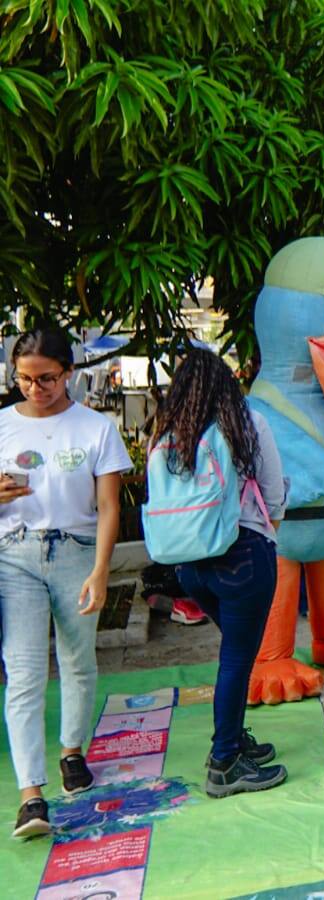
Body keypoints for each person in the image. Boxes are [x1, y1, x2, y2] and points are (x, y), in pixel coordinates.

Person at [0, 329, 132, 838]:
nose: (35, 388)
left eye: (47, 378)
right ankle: (30, 795)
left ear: (70, 373)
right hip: (15, 556)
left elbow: (109, 506)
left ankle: (72, 750)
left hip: (78, 551)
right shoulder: (3, 425)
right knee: (24, 673)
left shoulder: (96, 428)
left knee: (78, 659)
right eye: (24, 379)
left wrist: (101, 570)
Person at [153, 349, 288, 798]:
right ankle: (225, 762)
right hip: (242, 557)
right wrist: (269, 529)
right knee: (236, 659)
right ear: (227, 383)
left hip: (190, 567)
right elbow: (273, 493)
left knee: (235, 654)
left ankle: (233, 739)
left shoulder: (171, 432)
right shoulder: (246, 423)